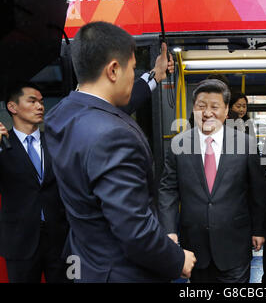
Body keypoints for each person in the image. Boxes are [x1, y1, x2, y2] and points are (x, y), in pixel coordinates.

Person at [44, 21, 196, 282]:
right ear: (114, 69)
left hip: (87, 262)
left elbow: (103, 110)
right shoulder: (113, 137)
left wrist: (153, 77)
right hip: (121, 272)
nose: (132, 76)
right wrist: (177, 257)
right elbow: (135, 231)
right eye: (133, 69)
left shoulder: (61, 115)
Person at [158, 79, 266, 283]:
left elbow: (257, 191)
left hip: (235, 242)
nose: (207, 113)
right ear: (194, 108)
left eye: (214, 107)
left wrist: (259, 229)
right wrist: (169, 230)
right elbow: (168, 190)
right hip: (195, 246)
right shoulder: (178, 144)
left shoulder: (245, 144)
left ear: (226, 110)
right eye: (201, 106)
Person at [0, 82, 70, 283]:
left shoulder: (56, 142)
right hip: (19, 240)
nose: (40, 106)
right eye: (32, 101)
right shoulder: (3, 145)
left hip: (60, 240)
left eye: (41, 102)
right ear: (12, 107)